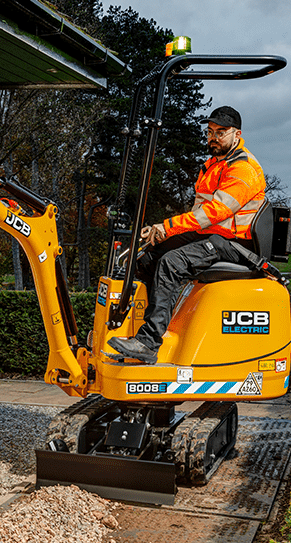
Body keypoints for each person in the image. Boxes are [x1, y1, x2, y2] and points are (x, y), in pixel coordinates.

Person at [109, 105, 266, 363]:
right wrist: (161, 231)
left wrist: (168, 227)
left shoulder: (243, 168)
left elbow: (215, 212)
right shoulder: (214, 165)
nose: (213, 138)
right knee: (148, 255)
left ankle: (148, 343)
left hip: (236, 244)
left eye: (221, 133)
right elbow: (199, 215)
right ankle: (155, 327)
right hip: (213, 235)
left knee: (172, 262)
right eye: (210, 132)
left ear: (237, 134)